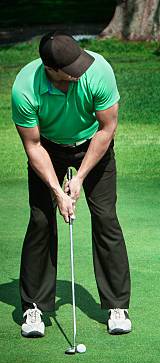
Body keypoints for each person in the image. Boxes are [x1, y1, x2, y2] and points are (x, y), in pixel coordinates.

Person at [11, 31, 132, 337]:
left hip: (92, 143)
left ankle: (117, 305)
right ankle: (34, 308)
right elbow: (33, 146)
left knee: (105, 217)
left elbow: (107, 128)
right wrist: (57, 190)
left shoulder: (99, 70)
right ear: (51, 69)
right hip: (48, 148)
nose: (81, 70)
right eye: (71, 68)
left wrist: (78, 178)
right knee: (41, 220)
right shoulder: (26, 88)